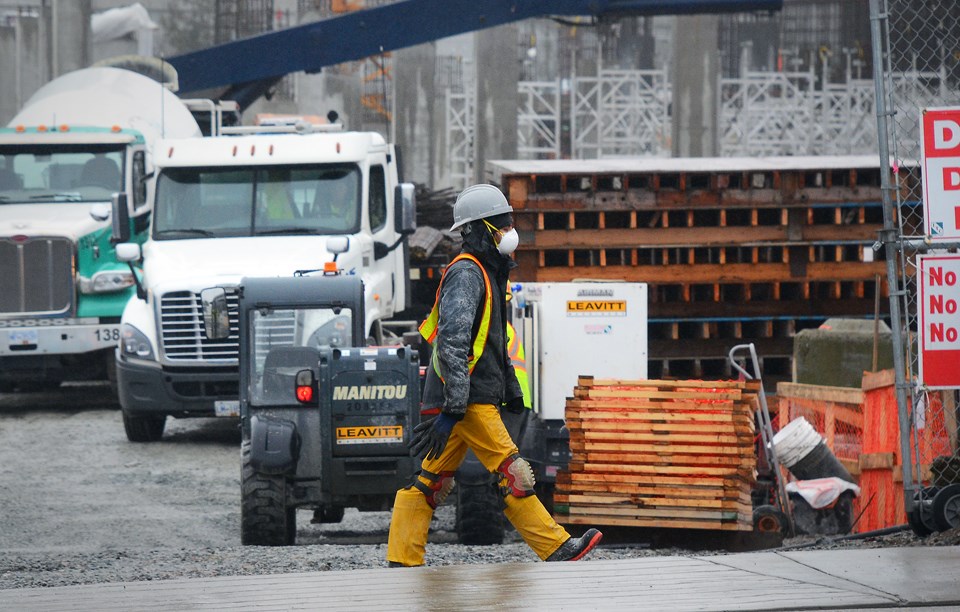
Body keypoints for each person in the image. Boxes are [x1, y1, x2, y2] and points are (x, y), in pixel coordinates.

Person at [385, 183, 602, 567]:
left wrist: (511, 388)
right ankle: (556, 547)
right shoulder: (467, 274)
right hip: (464, 399)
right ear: (479, 231)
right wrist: (452, 407)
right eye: (501, 225)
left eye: (508, 223)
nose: (509, 232)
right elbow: (452, 340)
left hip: (463, 396)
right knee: (513, 471)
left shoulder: (488, 272)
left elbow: (493, 341)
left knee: (428, 484)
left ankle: (402, 559)